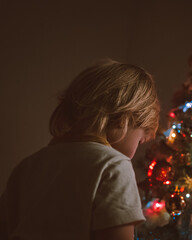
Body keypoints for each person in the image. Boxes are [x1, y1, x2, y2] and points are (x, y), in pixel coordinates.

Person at [0, 59, 160, 240]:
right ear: (123, 119)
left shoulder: (27, 165)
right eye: (140, 141)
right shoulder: (114, 165)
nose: (134, 153)